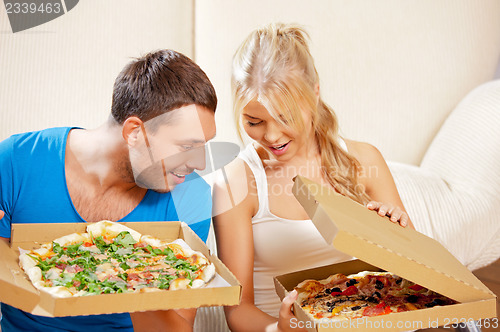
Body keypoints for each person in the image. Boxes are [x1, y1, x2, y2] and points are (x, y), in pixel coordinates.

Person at [213, 23, 415, 332]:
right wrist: (278, 329)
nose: (271, 135)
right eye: (254, 121)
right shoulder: (235, 184)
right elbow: (239, 312)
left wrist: (395, 232)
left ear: (315, 93)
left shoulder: (364, 160)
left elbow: (416, 273)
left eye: (285, 117)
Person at [0, 49, 217, 332]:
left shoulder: (191, 197)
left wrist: (137, 275)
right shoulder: (17, 161)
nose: (198, 164)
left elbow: (178, 327)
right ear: (134, 132)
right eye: (187, 147)